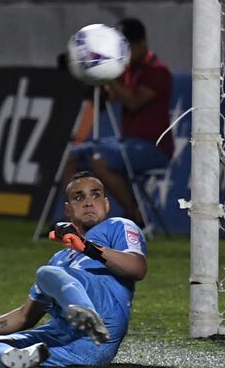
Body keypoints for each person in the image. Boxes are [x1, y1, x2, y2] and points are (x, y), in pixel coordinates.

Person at [0, 172, 147, 368]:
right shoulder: (60, 259)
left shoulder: (118, 226)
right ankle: (16, 357)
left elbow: (136, 268)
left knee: (46, 273)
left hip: (100, 333)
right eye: (79, 197)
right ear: (68, 210)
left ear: (107, 204)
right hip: (74, 347)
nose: (89, 201)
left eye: (96, 195)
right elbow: (25, 316)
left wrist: (86, 247)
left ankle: (88, 317)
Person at [62, 17, 173, 226]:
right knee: (72, 157)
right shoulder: (125, 71)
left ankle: (135, 215)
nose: (123, 52)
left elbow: (133, 102)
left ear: (141, 44)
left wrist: (105, 72)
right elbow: (106, 104)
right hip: (126, 143)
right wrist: (91, 76)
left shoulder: (158, 71)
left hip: (153, 147)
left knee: (99, 160)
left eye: (127, 46)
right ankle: (76, 220)